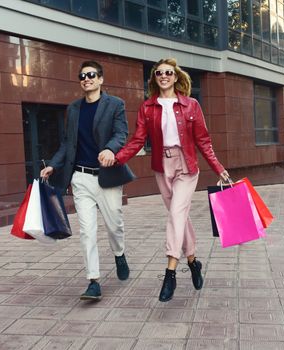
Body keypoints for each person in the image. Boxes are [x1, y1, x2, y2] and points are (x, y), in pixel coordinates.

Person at [111, 58, 230, 302]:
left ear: (175, 77)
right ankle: (193, 261)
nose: (164, 76)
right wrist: (117, 158)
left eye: (168, 72)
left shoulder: (191, 105)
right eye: (159, 73)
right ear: (154, 78)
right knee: (180, 218)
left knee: (176, 215)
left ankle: (170, 273)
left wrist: (218, 168)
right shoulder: (147, 107)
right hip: (161, 167)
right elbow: (137, 140)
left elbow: (203, 141)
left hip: (186, 166)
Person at [40, 60, 130, 301]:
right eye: (82, 76)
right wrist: (52, 165)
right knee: (87, 232)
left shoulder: (115, 104)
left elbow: (121, 133)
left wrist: (111, 149)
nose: (86, 79)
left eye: (91, 75)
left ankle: (119, 254)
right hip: (80, 177)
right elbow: (67, 143)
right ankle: (93, 281)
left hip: (107, 176)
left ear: (100, 79)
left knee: (115, 225)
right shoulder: (73, 109)